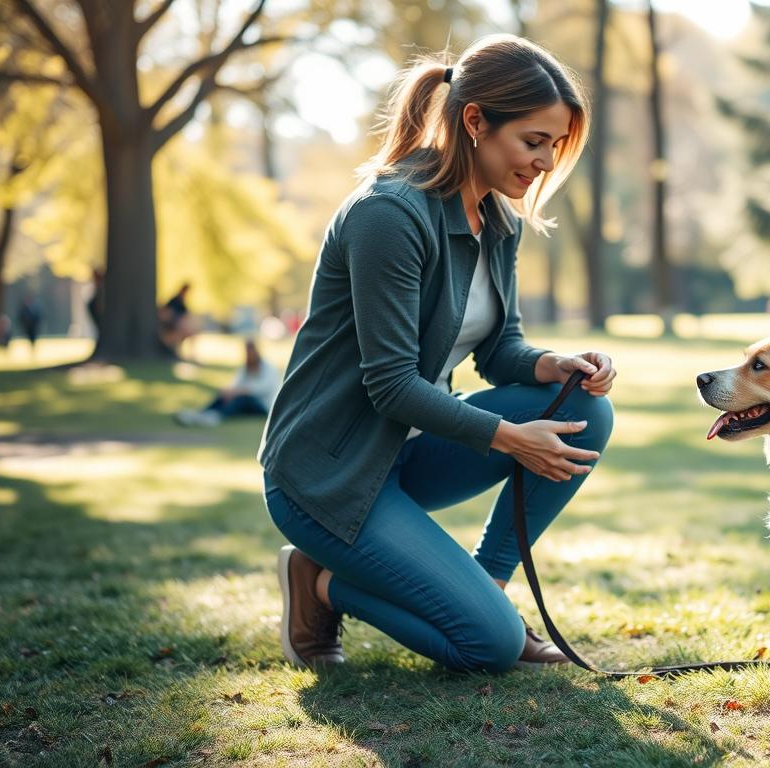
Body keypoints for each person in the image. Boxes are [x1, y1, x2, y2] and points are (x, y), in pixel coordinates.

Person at [259, 36, 616, 673]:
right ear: (475, 121)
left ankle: (490, 588)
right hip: (326, 476)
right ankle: (319, 584)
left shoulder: (496, 221)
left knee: (586, 410)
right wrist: (510, 437)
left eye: (554, 147)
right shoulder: (388, 215)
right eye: (532, 141)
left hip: (403, 457)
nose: (543, 162)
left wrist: (556, 365)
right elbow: (391, 384)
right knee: (491, 647)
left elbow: (499, 351)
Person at [175, 338, 280, 427]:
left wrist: (238, 392)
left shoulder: (268, 368)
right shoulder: (245, 367)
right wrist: (229, 392)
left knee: (242, 399)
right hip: (246, 400)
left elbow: (261, 389)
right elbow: (236, 384)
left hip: (263, 405)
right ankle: (202, 413)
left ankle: (217, 416)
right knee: (225, 396)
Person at [157, 282, 198, 354]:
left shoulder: (183, 304)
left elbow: (186, 316)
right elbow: (166, 314)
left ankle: (190, 354)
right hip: (172, 327)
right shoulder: (174, 301)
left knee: (191, 332)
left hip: (180, 328)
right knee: (180, 333)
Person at [16, 291, 43, 355]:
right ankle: (31, 349)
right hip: (27, 327)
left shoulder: (35, 307)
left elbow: (38, 317)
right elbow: (20, 318)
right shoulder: (24, 308)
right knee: (30, 339)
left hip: (33, 327)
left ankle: (33, 349)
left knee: (33, 339)